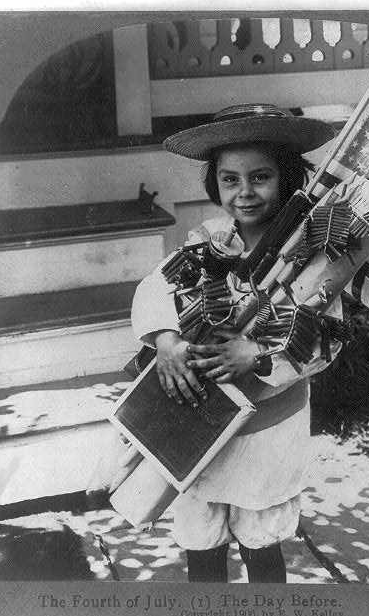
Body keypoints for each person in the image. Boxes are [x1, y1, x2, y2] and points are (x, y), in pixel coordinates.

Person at [131, 103, 341, 583]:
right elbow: (155, 286)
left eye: (260, 177)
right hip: (201, 422)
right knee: (202, 547)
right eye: (230, 180)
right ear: (216, 184)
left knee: (261, 545)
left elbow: (324, 334)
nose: (244, 193)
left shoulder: (311, 252)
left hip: (266, 429)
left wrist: (258, 353)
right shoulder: (209, 241)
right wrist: (166, 339)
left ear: (285, 178)